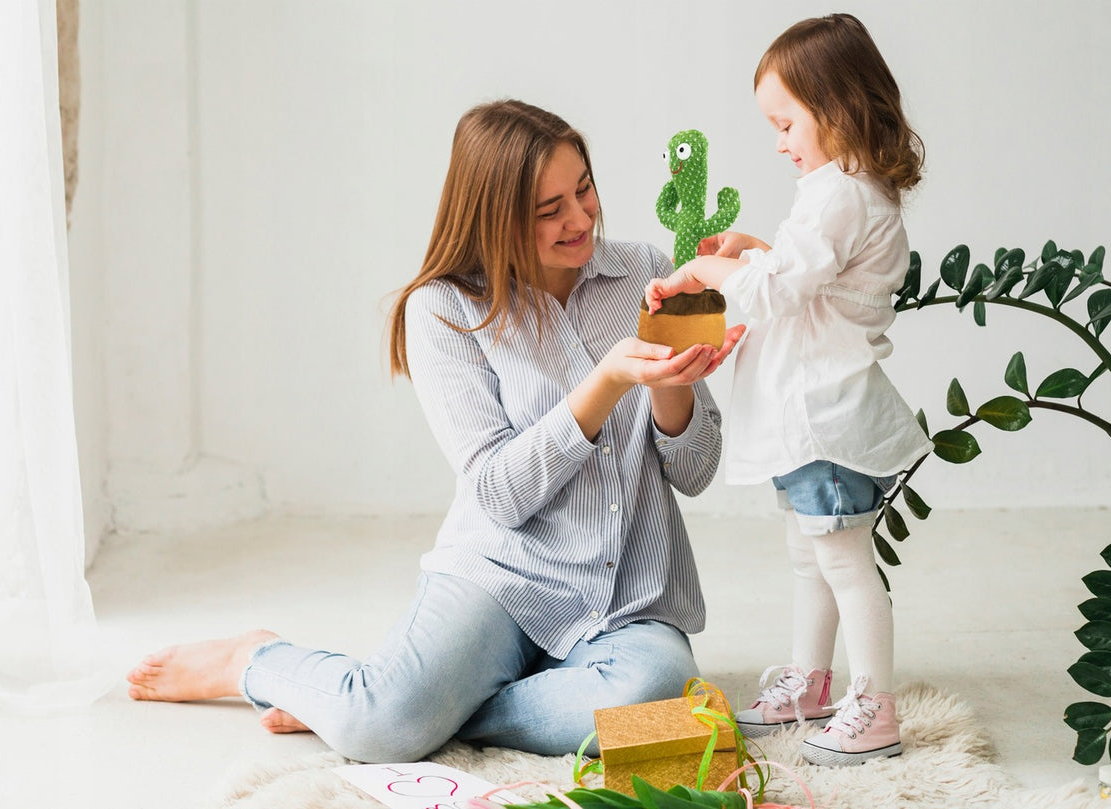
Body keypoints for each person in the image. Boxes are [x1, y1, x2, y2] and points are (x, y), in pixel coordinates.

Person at [126, 99, 744, 764]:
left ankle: (408, 707)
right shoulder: (443, 309)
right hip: (502, 579)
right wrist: (607, 383)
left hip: (629, 597)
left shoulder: (644, 271)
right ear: (495, 216)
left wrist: (671, 380)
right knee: (380, 731)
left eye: (584, 189)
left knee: (658, 703)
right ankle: (256, 660)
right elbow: (499, 494)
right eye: (549, 209)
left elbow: (695, 472)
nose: (580, 218)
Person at [645, 14, 931, 767]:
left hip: (824, 419)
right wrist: (752, 250)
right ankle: (812, 682)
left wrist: (706, 271)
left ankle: (874, 705)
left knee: (844, 563)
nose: (779, 142)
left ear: (836, 108)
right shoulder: (847, 190)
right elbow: (812, 279)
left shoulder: (838, 193)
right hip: (810, 418)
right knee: (812, 557)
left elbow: (775, 293)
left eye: (785, 123)